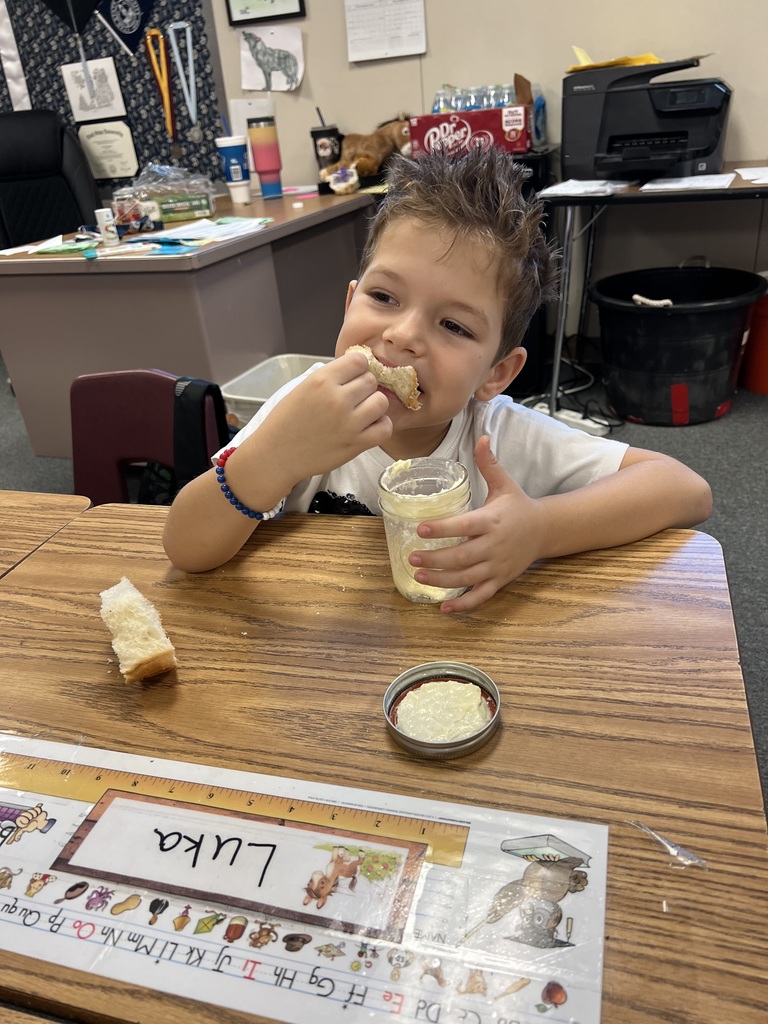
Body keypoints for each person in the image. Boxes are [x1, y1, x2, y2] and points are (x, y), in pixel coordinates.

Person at [164, 147, 712, 613]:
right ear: (350, 302)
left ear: (496, 373)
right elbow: (185, 547)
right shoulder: (299, 409)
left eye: (453, 325)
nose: (402, 336)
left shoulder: (496, 435)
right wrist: (272, 458)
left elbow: (685, 489)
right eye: (384, 297)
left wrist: (540, 528)